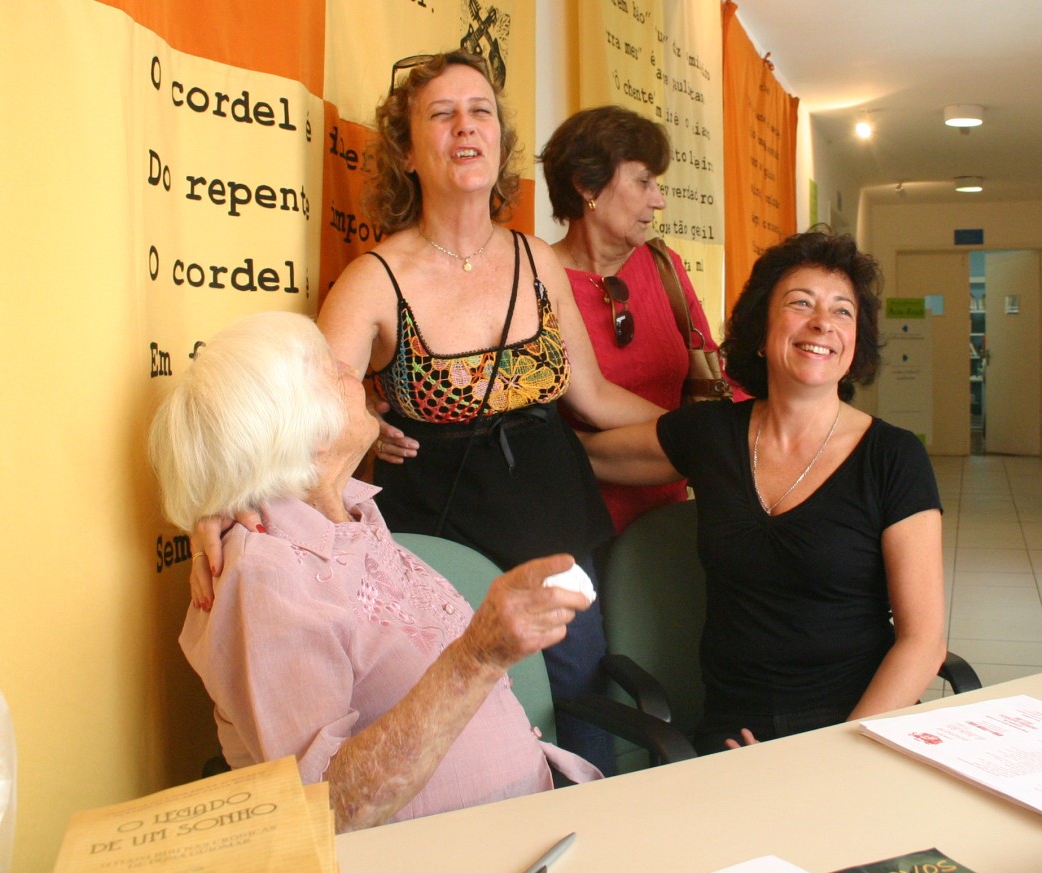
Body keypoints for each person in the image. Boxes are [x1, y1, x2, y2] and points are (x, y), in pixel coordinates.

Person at [193, 52, 664, 774]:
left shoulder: (538, 260)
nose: (465, 127)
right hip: (438, 545)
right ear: (408, 152)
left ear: (500, 140)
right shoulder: (374, 279)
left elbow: (593, 396)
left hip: (558, 523)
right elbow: (302, 414)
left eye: (480, 112)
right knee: (463, 717)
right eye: (442, 115)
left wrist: (716, 431)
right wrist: (227, 504)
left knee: (578, 696)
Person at [149, 311, 601, 832]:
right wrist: (478, 657)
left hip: (530, 820)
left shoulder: (353, 517)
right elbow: (325, 810)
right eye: (331, 368)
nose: (353, 372)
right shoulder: (264, 575)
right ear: (300, 423)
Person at [579, 229, 947, 752]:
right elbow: (590, 455)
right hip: (735, 735)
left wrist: (837, 753)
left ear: (855, 343)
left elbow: (923, 641)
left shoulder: (893, 457)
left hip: (859, 733)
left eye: (842, 311)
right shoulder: (712, 435)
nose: (822, 322)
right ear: (760, 329)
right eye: (801, 303)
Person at [538, 104, 746, 533]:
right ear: (586, 185)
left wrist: (753, 432)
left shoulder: (664, 266)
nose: (659, 200)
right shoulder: (536, 279)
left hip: (669, 516)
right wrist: (703, 436)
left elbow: (712, 374)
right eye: (643, 181)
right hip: (572, 520)